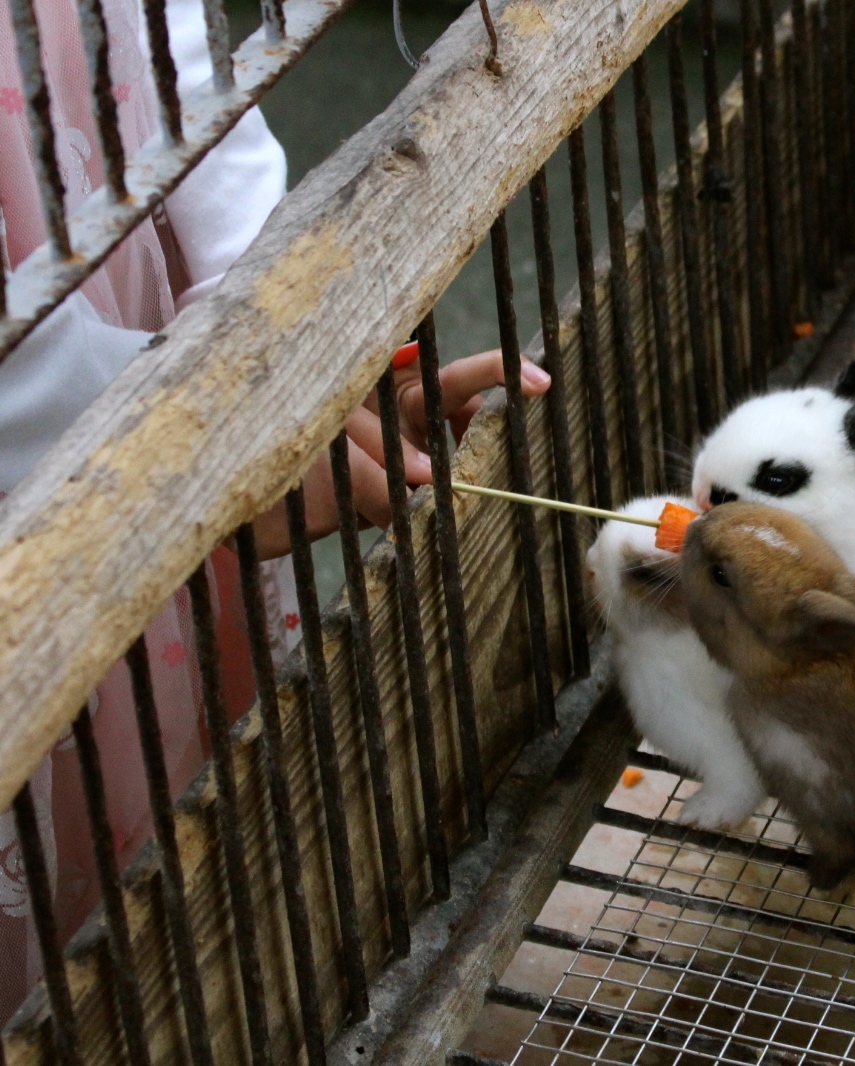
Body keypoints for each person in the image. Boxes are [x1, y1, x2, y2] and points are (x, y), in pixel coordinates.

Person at [0, 0, 548, 1016]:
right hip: (41, 506)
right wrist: (206, 438)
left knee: (197, 864)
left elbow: (171, 74)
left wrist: (301, 356)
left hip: (163, 366)